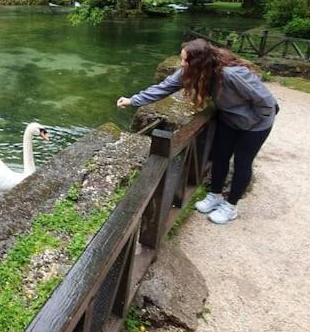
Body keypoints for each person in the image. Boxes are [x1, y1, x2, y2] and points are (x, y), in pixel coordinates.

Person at [117, 38, 278, 224]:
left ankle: (231, 206)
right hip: (229, 119)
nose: (182, 64)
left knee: (242, 162)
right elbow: (164, 88)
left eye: (186, 60)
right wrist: (132, 100)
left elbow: (266, 102)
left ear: (199, 62)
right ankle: (215, 195)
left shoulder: (233, 74)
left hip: (255, 125)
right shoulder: (190, 72)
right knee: (220, 156)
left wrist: (251, 123)